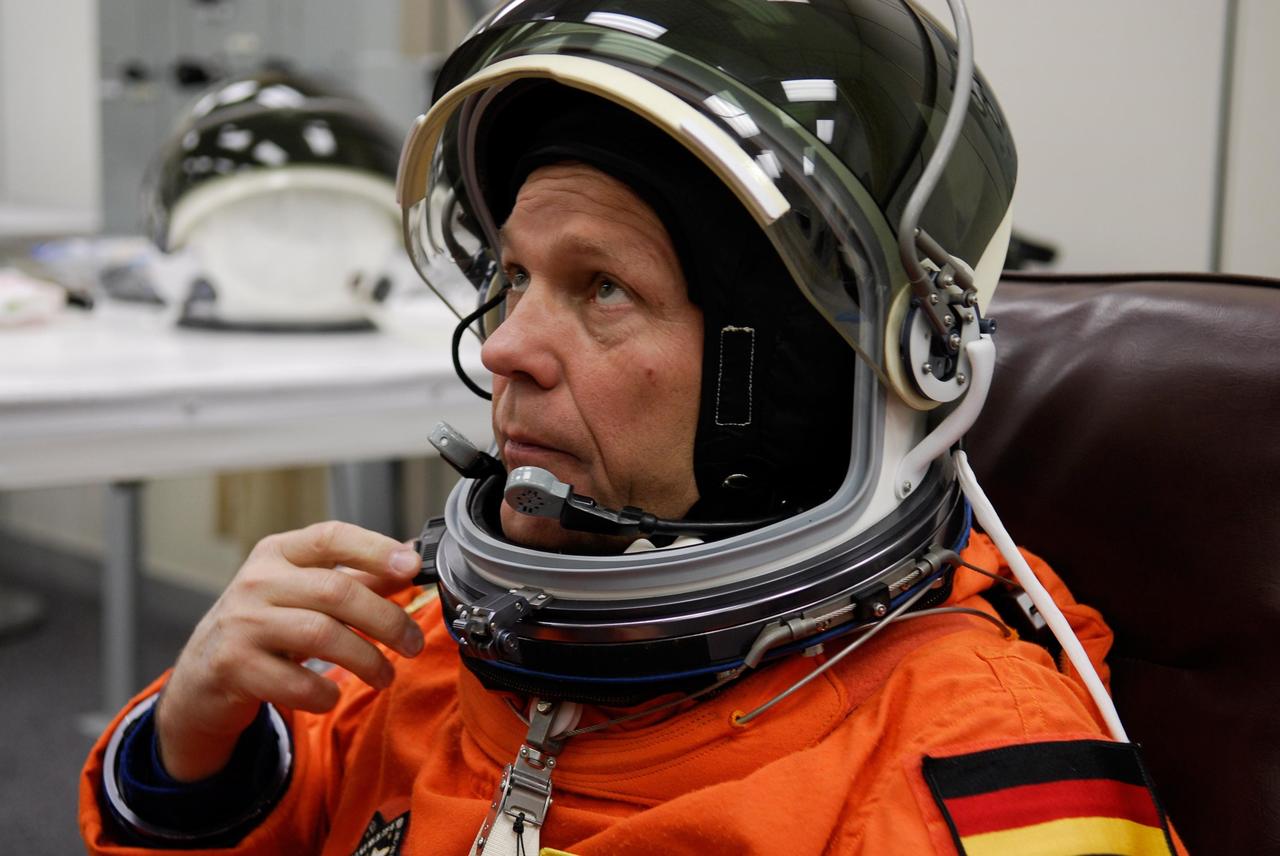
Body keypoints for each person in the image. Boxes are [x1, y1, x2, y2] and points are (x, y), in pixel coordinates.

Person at [81, 2, 1186, 854]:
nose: (507, 346)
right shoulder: (411, 639)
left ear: (792, 381)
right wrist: (193, 743)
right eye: (513, 277)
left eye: (602, 287)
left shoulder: (980, 775)